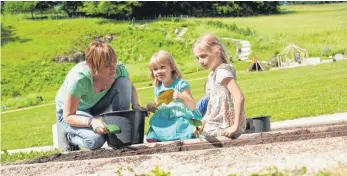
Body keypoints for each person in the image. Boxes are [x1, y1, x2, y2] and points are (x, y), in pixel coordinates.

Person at [55, 40, 146, 151]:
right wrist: (92, 122)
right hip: (73, 113)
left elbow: (130, 87)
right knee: (95, 140)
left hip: (96, 104)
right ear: (93, 67)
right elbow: (68, 116)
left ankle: (119, 135)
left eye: (114, 61)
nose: (113, 68)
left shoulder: (118, 69)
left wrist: (136, 105)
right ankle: (70, 136)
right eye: (107, 65)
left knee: (124, 82)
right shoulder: (79, 79)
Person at [193, 34, 246, 139]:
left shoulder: (222, 72)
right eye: (197, 57)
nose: (200, 61)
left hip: (226, 125)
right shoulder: (212, 76)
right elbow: (212, 106)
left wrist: (235, 126)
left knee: (201, 136)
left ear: (216, 51)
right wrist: (202, 122)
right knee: (195, 131)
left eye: (203, 56)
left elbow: (239, 97)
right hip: (218, 122)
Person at [146, 50, 202, 142]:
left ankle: (181, 136)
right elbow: (158, 105)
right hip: (165, 118)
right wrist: (151, 107)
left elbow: (192, 106)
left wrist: (181, 97)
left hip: (179, 117)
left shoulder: (180, 84)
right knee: (156, 128)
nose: (159, 71)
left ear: (171, 67)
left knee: (179, 128)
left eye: (162, 67)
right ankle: (158, 137)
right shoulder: (158, 88)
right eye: (155, 69)